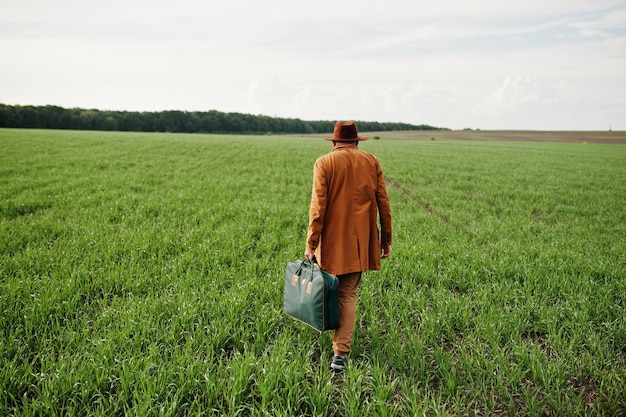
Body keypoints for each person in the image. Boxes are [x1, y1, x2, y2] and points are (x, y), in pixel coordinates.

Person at [305, 120, 392, 373]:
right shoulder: (372, 162)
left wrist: (311, 243)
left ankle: (328, 334)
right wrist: (385, 241)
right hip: (360, 243)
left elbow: (318, 208)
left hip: (330, 243)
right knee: (347, 295)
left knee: (328, 290)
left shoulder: (324, 163)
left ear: (334, 143)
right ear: (356, 141)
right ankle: (339, 355)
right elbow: (384, 205)